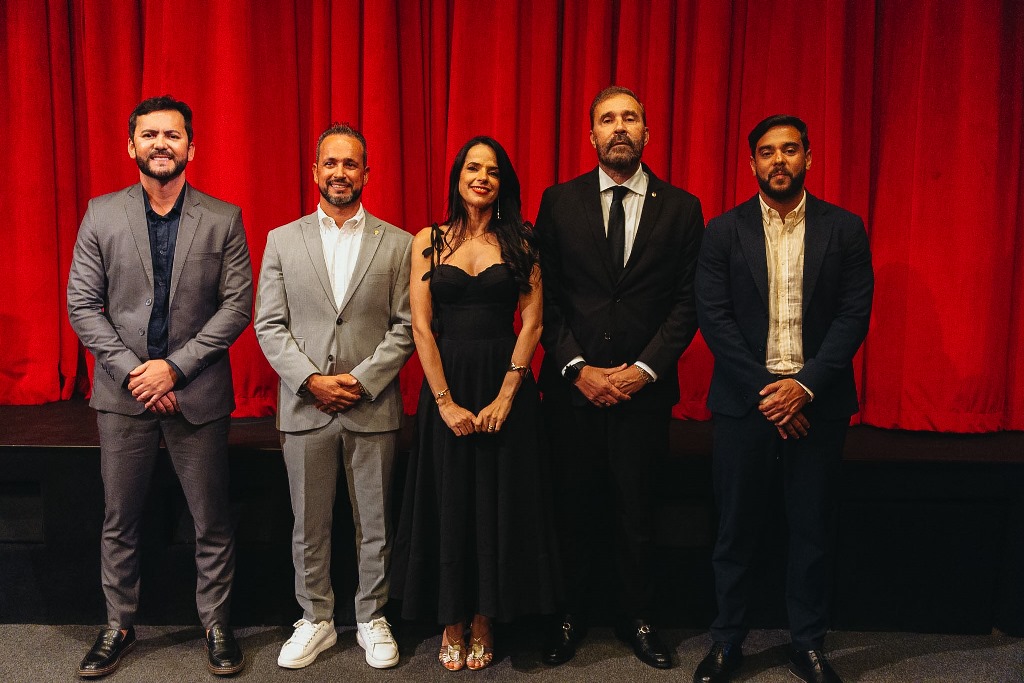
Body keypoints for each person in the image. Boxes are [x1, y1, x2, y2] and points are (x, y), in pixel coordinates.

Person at [67, 95, 251, 678]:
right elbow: (82, 304)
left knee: (211, 521)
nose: (161, 144)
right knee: (119, 521)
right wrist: (135, 372)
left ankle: (216, 625)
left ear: (192, 147)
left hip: (198, 394)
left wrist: (173, 369)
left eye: (173, 135)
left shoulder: (224, 218)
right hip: (123, 397)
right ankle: (118, 625)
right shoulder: (100, 214)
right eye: (149, 135)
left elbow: (237, 307)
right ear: (131, 146)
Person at [692, 115, 874, 683]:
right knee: (734, 531)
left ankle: (808, 644)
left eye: (790, 150)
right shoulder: (723, 231)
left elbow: (853, 315)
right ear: (752, 163)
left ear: (808, 158)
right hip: (744, 405)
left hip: (817, 403)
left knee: (812, 529)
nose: (779, 160)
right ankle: (727, 642)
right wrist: (768, 394)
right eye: (767, 152)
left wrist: (803, 387)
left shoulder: (844, 229)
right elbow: (714, 317)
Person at [534, 86, 704, 670]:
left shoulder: (681, 208)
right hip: (571, 393)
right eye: (608, 119)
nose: (620, 127)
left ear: (647, 133)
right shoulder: (559, 202)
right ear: (592, 136)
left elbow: (687, 303)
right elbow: (544, 298)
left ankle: (639, 619)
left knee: (639, 514)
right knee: (572, 511)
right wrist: (577, 369)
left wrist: (643, 370)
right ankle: (568, 617)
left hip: (644, 395)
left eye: (630, 118)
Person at [391, 136, 557, 671]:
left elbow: (532, 323)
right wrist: (444, 403)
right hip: (447, 385)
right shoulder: (428, 240)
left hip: (505, 384)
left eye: (492, 170)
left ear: (502, 182)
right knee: (450, 501)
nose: (481, 177)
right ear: (458, 177)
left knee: (497, 502)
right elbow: (421, 326)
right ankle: (451, 618)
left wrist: (507, 394)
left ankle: (486, 617)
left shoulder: (523, 241)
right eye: (472, 167)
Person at [254, 123, 414, 670]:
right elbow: (269, 324)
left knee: (376, 523)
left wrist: (360, 381)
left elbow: (406, 326)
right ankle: (316, 618)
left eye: (350, 163)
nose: (340, 172)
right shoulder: (282, 239)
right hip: (306, 406)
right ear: (315, 171)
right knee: (309, 524)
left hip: (372, 405)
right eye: (331, 163)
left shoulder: (399, 243)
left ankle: (372, 617)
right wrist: (311, 381)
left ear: (366, 172)